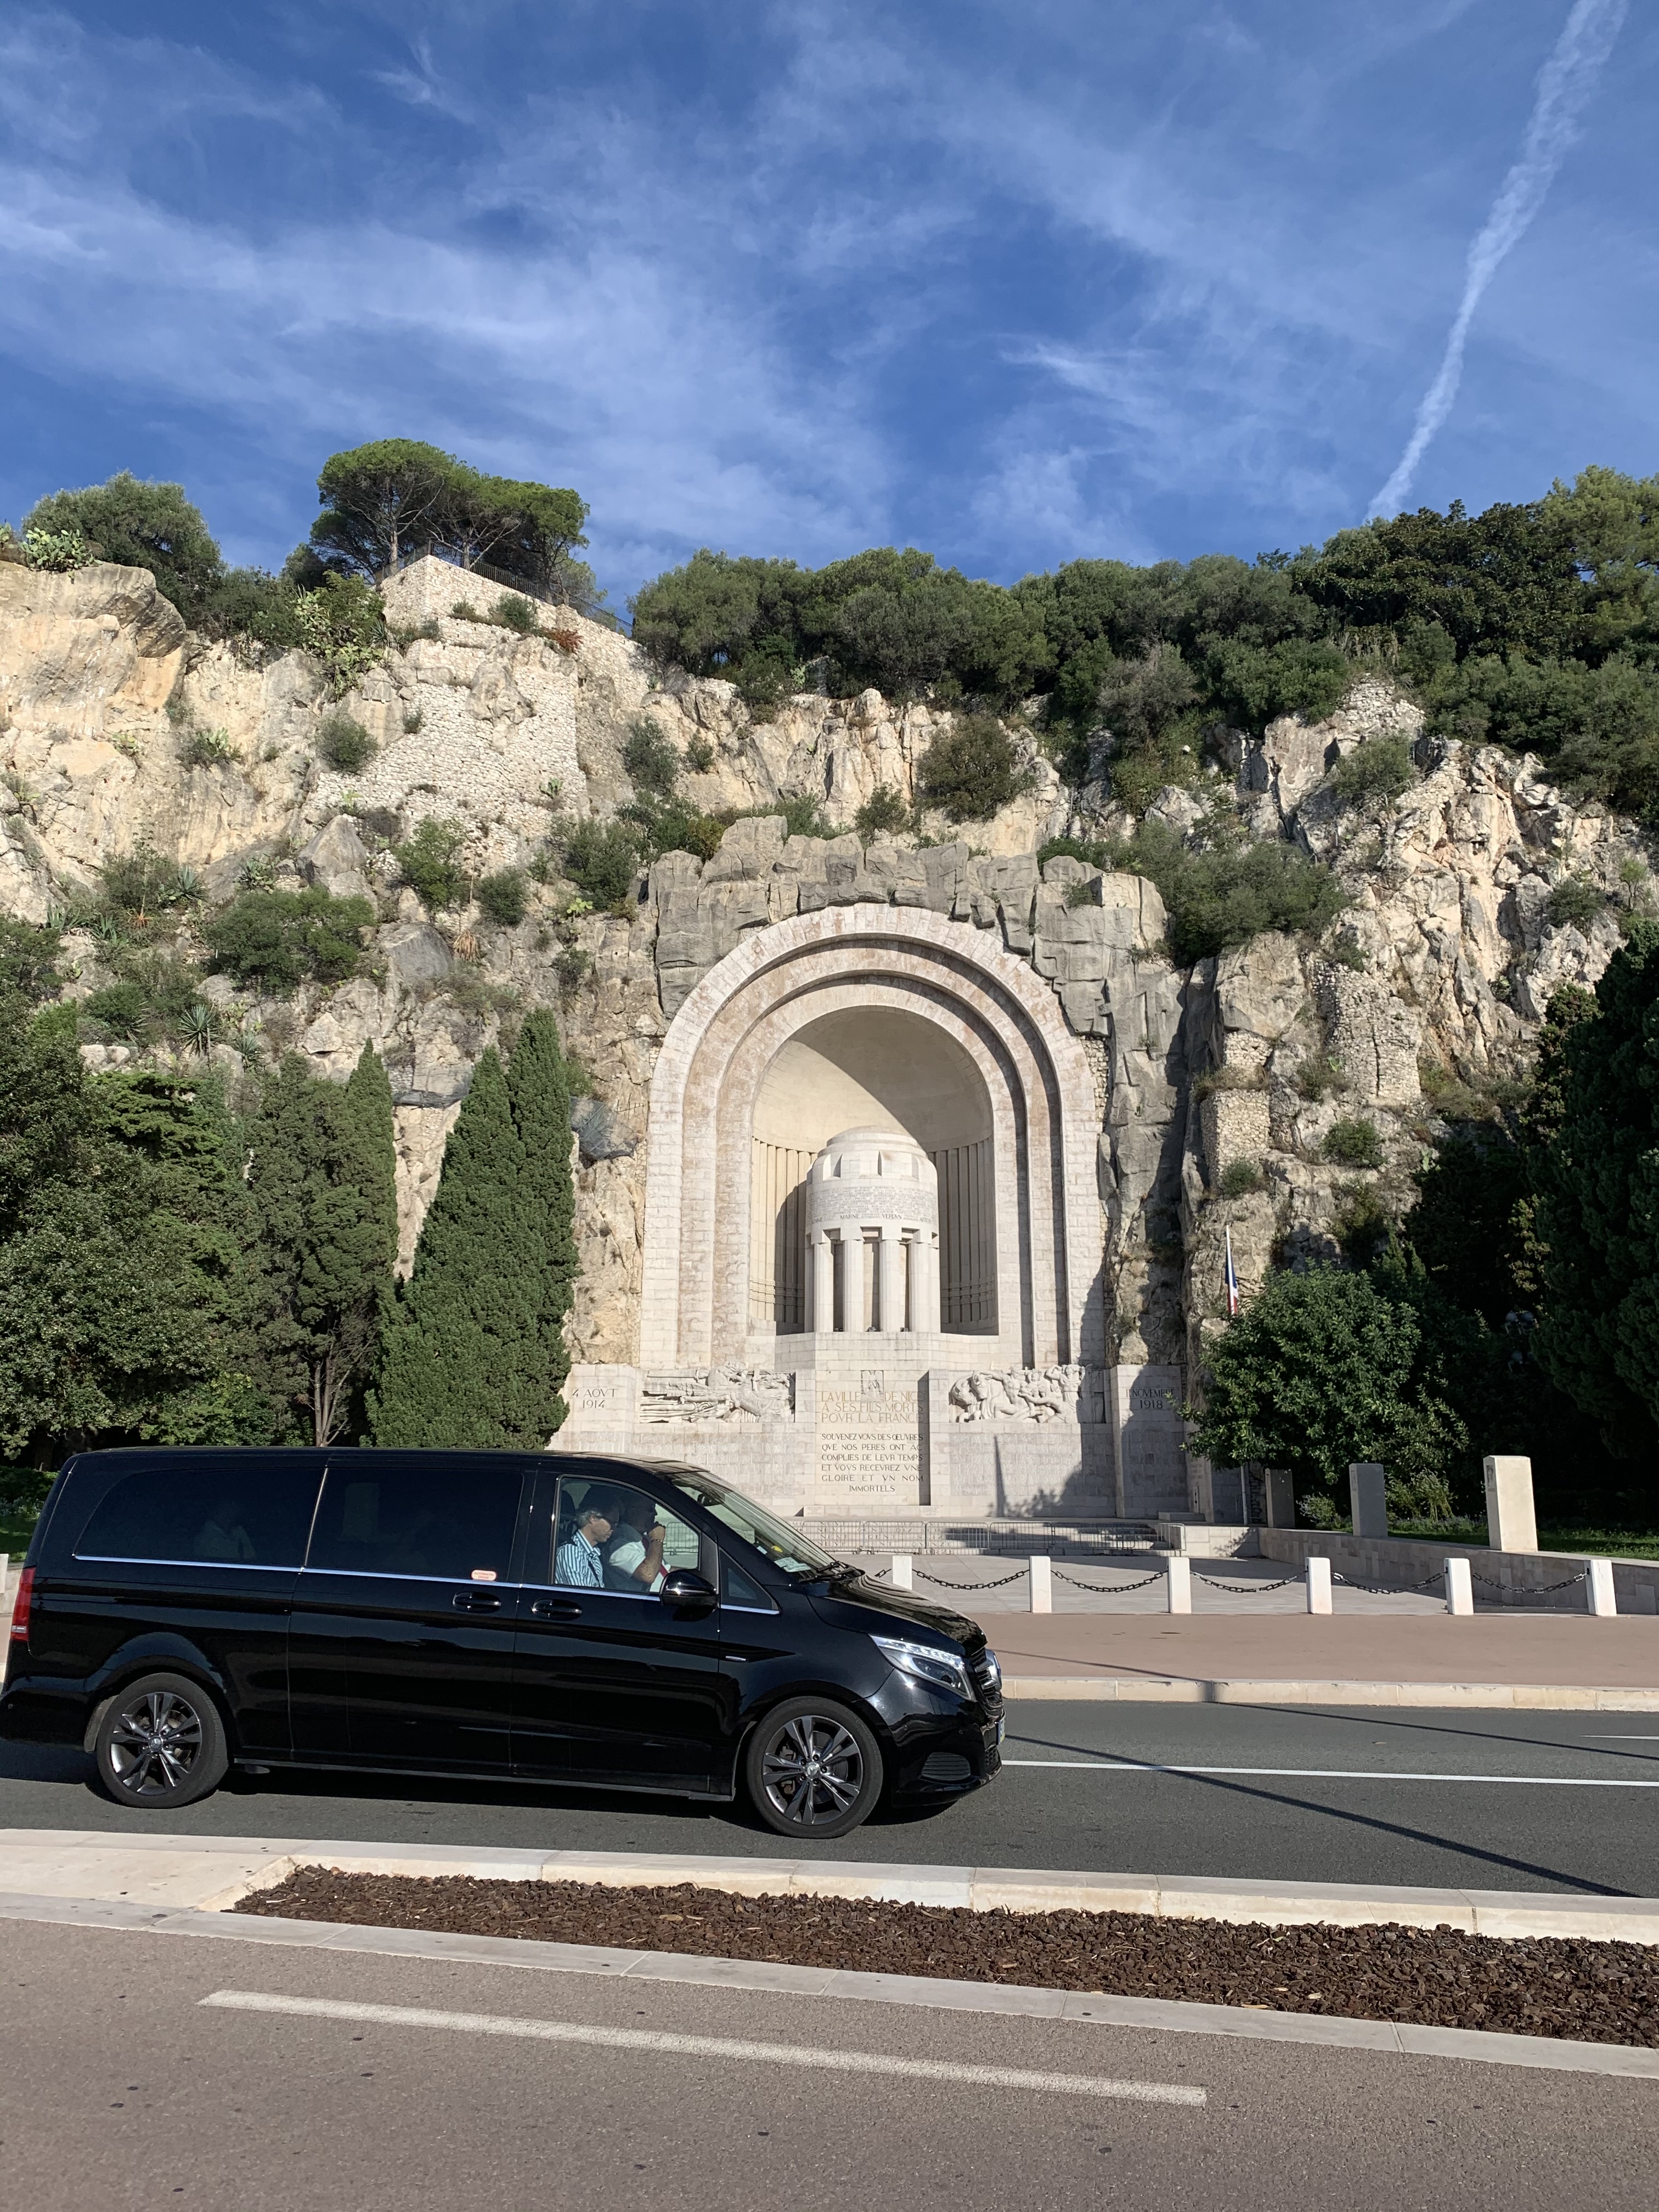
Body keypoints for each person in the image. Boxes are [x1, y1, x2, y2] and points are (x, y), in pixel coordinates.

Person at [603, 1493, 668, 1593]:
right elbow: (648, 1574)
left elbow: (665, 1570)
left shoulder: (643, 1539)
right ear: (632, 1511)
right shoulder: (618, 1544)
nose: (655, 1514)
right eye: (651, 1509)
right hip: (642, 1600)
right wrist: (657, 1541)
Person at [554, 1493, 616, 1588]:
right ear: (593, 1518)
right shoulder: (571, 1552)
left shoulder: (593, 1553)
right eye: (611, 1522)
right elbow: (580, 1594)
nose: (614, 1529)